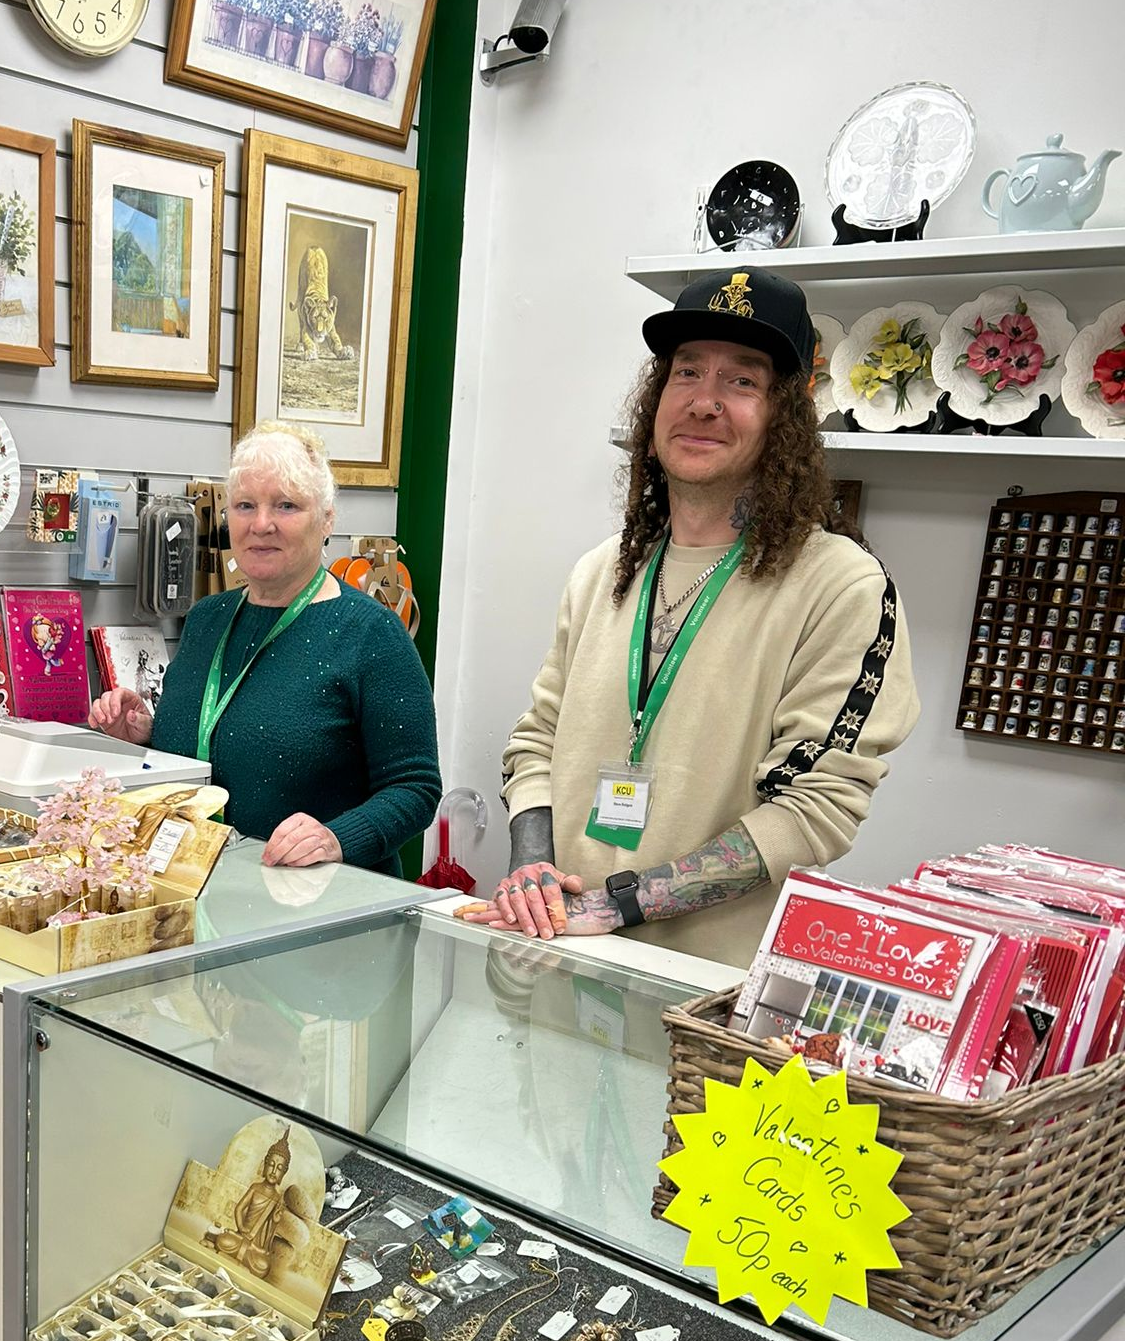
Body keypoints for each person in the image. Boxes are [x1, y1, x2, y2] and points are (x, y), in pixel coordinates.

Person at [466, 267, 919, 968]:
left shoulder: (841, 586)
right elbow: (536, 742)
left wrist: (617, 902)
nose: (705, 402)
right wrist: (532, 872)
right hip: (560, 962)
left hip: (706, 998)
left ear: (786, 417)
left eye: (742, 380)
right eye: (686, 373)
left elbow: (814, 808)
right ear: (656, 400)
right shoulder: (601, 572)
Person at [90, 421, 440, 873]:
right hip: (199, 880)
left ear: (327, 517)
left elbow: (415, 786)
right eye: (245, 505)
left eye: (287, 505)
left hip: (317, 905)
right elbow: (221, 740)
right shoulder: (206, 619)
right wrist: (148, 734)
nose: (261, 524)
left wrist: (336, 839)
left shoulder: (371, 633)